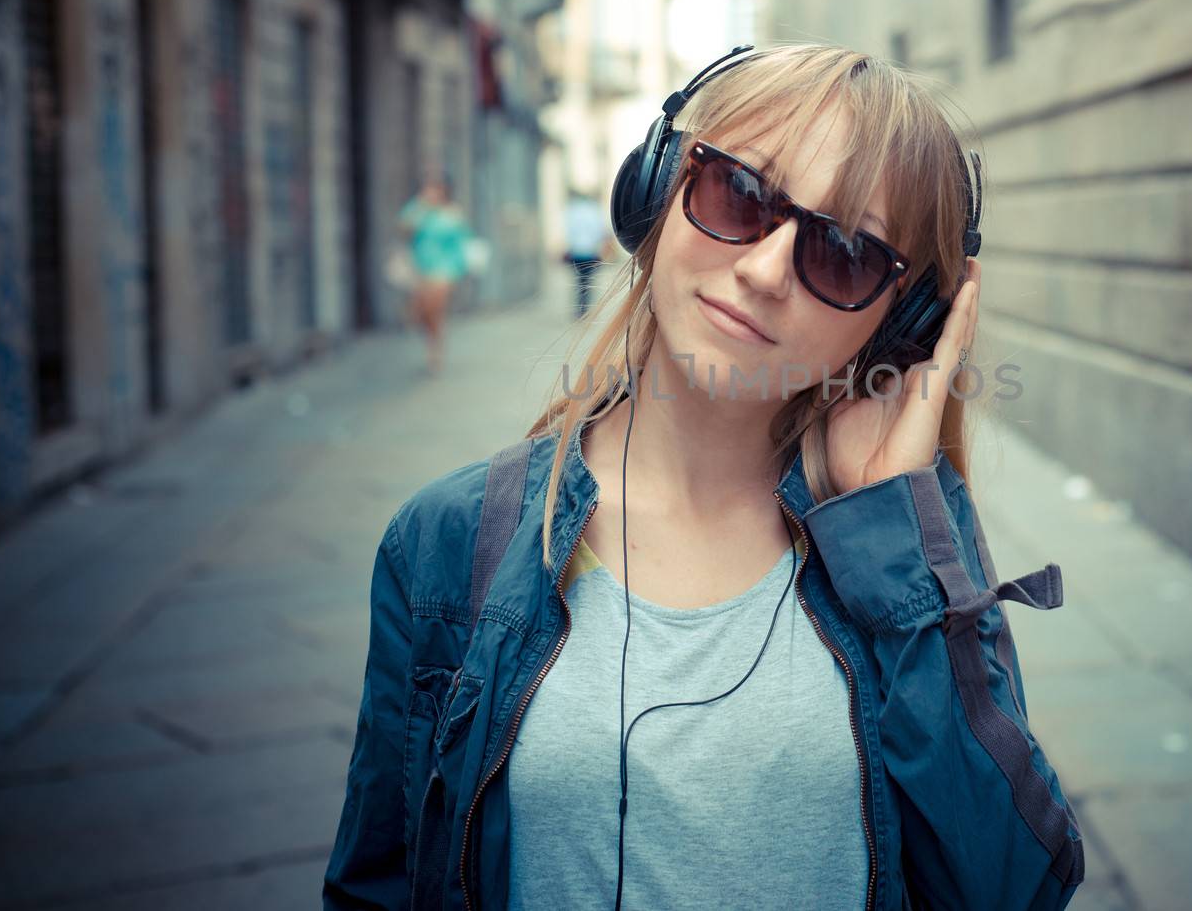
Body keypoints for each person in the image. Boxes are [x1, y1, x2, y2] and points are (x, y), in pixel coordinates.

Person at [324, 44, 1085, 909]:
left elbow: (1011, 890)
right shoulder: (449, 540)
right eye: (740, 194)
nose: (763, 273)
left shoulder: (906, 537)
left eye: (844, 253)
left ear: (902, 324)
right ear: (655, 190)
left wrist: (892, 538)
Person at [397, 169, 473, 375]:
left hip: (444, 270)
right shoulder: (419, 210)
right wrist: (420, 205)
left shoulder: (452, 213)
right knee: (421, 313)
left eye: (437, 188)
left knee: (435, 308)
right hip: (421, 269)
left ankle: (435, 352)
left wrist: (459, 270)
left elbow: (462, 243)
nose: (433, 192)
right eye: (429, 188)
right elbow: (404, 227)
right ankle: (434, 341)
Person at [564, 190, 608, 319]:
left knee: (579, 281)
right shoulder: (595, 211)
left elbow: (569, 231)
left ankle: (579, 309)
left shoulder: (572, 211)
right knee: (588, 282)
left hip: (576, 253)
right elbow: (600, 232)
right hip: (591, 253)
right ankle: (585, 309)